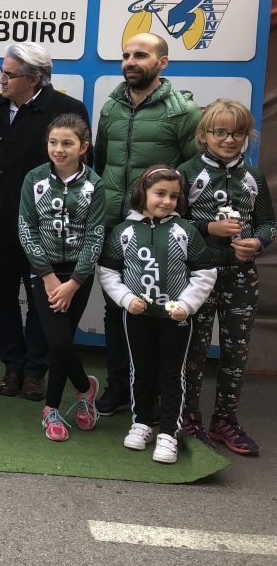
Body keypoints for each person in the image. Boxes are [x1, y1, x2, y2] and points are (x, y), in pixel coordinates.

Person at [0, 43, 88, 400]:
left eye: (9, 74)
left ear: (35, 78)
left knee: (42, 304)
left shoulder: (67, 110)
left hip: (44, 229)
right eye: (1, 72)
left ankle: (35, 371)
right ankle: (12, 366)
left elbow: (82, 172)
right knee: (2, 299)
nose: (1, 80)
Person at [94, 32, 200, 415]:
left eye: (141, 55)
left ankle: (153, 396)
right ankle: (120, 388)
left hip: (159, 233)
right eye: (126, 55)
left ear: (162, 62)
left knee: (158, 312)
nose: (130, 62)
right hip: (115, 227)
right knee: (116, 311)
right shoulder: (111, 106)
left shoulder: (183, 112)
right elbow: (101, 163)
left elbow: (193, 173)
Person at [99, 166, 216, 464]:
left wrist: (186, 305)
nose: (167, 201)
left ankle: (168, 433)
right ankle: (141, 423)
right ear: (143, 193)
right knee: (140, 370)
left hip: (175, 320)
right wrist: (126, 300)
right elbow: (108, 271)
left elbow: (205, 273)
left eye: (173, 196)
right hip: (137, 317)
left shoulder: (185, 231)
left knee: (172, 373)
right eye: (160, 193)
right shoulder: (124, 231)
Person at [178, 99, 276, 455]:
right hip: (199, 275)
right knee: (194, 349)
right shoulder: (186, 173)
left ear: (247, 135)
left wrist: (258, 242)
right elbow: (171, 222)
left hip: (241, 276)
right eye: (220, 132)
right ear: (204, 135)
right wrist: (209, 228)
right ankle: (189, 417)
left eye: (237, 133)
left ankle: (225, 420)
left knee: (236, 350)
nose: (229, 140)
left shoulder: (254, 177)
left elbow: (269, 223)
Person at [17, 113, 105, 442]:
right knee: (58, 342)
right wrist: (49, 276)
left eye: (67, 143)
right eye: (53, 142)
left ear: (83, 147)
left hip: (78, 276)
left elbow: (95, 236)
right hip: (44, 273)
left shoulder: (95, 184)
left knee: (61, 345)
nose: (58, 149)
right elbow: (26, 228)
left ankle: (51, 408)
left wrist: (74, 282)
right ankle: (84, 388)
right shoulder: (34, 179)